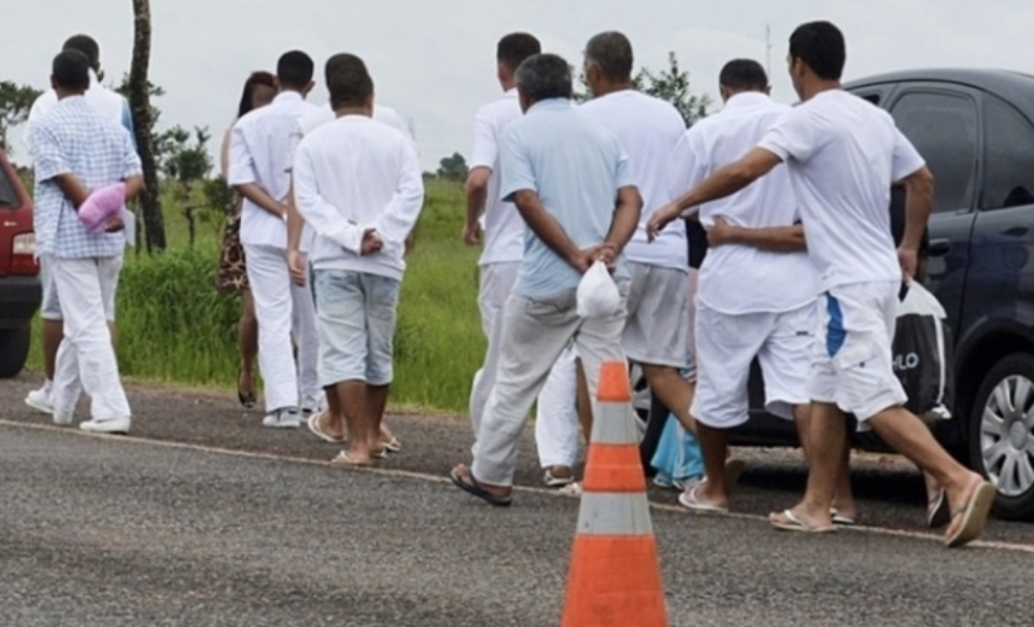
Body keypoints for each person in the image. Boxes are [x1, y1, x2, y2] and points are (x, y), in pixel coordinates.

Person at [649, 21, 994, 547]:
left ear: (797, 65)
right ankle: (816, 506)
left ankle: (959, 480)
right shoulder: (874, 118)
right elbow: (921, 180)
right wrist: (906, 244)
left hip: (845, 285)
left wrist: (679, 204)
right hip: (872, 277)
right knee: (823, 392)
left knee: (873, 398)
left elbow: (745, 171)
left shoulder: (806, 120)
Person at [664, 58, 856, 519]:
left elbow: (679, 202)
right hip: (795, 273)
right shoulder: (798, 123)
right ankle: (831, 498)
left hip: (730, 274)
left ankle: (714, 488)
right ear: (768, 86)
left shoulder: (704, 134)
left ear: (724, 90)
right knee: (806, 393)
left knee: (716, 387)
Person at [449, 53, 642, 506]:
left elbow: (527, 201)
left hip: (548, 279)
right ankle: (618, 479)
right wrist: (608, 248)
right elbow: (631, 199)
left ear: (523, 93)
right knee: (608, 379)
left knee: (516, 378)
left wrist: (574, 254)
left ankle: (492, 474)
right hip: (608, 277)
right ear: (571, 88)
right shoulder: (601, 134)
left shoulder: (519, 133)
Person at [293, 54, 424, 466]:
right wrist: (381, 232)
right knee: (377, 350)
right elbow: (412, 193)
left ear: (332, 101)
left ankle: (358, 443)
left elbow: (307, 201)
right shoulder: (395, 141)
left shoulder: (313, 143)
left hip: (334, 259)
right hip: (383, 260)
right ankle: (372, 433)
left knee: (343, 350)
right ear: (371, 96)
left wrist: (351, 235)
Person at [464, 32, 580, 488]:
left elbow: (477, 179)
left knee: (501, 360)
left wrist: (472, 221)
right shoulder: (574, 118)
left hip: (508, 252)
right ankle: (557, 459)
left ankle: (487, 452)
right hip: (562, 251)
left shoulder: (493, 114)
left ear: (503, 71)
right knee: (558, 358)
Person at [577, 31, 696, 442]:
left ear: (593, 71)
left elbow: (590, 189)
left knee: (594, 359)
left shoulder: (588, 116)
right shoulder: (668, 114)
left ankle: (599, 463)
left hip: (616, 253)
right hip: (670, 251)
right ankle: (713, 456)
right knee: (662, 369)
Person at [28, 49, 144, 433]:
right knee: (82, 323)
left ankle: (111, 408)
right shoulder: (111, 125)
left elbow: (62, 177)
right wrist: (112, 208)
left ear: (53, 81)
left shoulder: (47, 124)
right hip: (110, 240)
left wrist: (91, 210)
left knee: (87, 324)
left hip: (69, 237)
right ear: (90, 79)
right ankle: (62, 403)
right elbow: (136, 179)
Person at [228, 50, 321, 428]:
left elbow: (240, 180)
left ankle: (282, 404)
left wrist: (278, 209)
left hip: (261, 232)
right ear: (311, 85)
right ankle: (313, 400)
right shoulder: (320, 121)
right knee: (310, 319)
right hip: (311, 232)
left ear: (278, 81)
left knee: (273, 317)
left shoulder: (249, 123)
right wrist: (295, 211)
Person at [216, 71, 276, 409]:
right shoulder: (238, 131)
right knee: (254, 311)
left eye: (272, 97)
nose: (266, 105)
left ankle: (283, 383)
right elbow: (231, 175)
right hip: (247, 225)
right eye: (260, 98)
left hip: (287, 224)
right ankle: (248, 368)